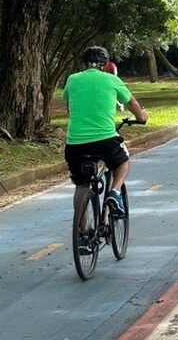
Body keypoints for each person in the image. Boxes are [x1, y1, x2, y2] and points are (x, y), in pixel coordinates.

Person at [63, 46, 148, 250]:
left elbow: (69, 106)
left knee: (81, 185)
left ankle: (83, 234)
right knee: (123, 161)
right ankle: (115, 192)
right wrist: (142, 118)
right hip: (105, 139)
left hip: (75, 143)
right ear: (106, 64)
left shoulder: (72, 80)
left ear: (84, 63)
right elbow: (134, 105)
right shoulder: (112, 80)